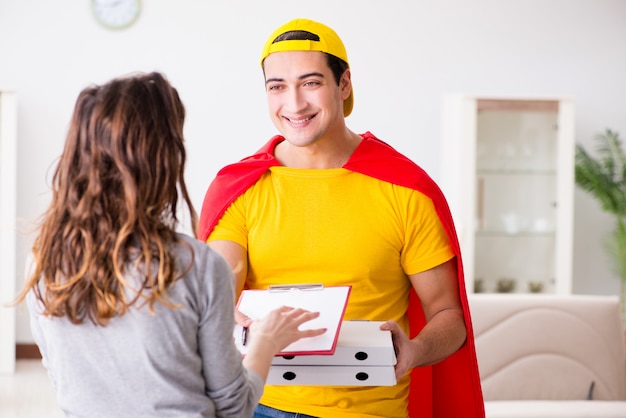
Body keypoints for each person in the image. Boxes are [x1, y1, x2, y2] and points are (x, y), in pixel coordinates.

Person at [198, 18, 485, 418]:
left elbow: (448, 315)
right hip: (261, 405)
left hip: (370, 411)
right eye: (277, 86)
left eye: (311, 83)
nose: (294, 103)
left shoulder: (405, 189)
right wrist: (225, 309)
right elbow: (219, 284)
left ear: (344, 84)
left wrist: (416, 349)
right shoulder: (241, 188)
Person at [14, 71, 325, 418]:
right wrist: (265, 343)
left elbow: (65, 382)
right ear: (163, 158)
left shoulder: (42, 259)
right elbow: (233, 408)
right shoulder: (199, 266)